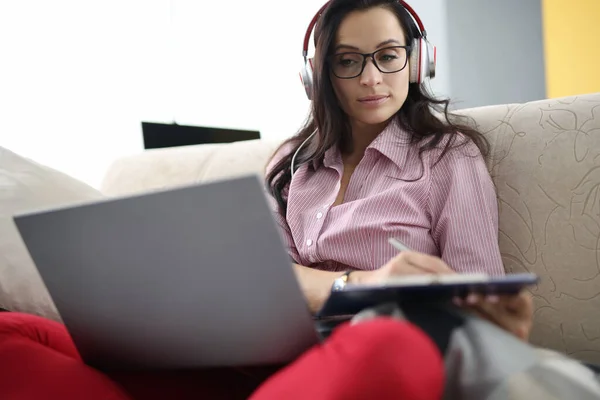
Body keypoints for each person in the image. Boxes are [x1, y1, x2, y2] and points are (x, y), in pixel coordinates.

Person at [1, 0, 597, 399]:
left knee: (387, 341)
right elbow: (259, 279)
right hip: (264, 359)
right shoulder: (291, 164)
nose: (371, 78)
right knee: (13, 333)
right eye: (348, 61)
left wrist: (379, 296)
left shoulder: (447, 158)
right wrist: (351, 282)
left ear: (417, 63)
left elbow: (478, 298)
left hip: (374, 348)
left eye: (388, 56)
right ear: (319, 77)